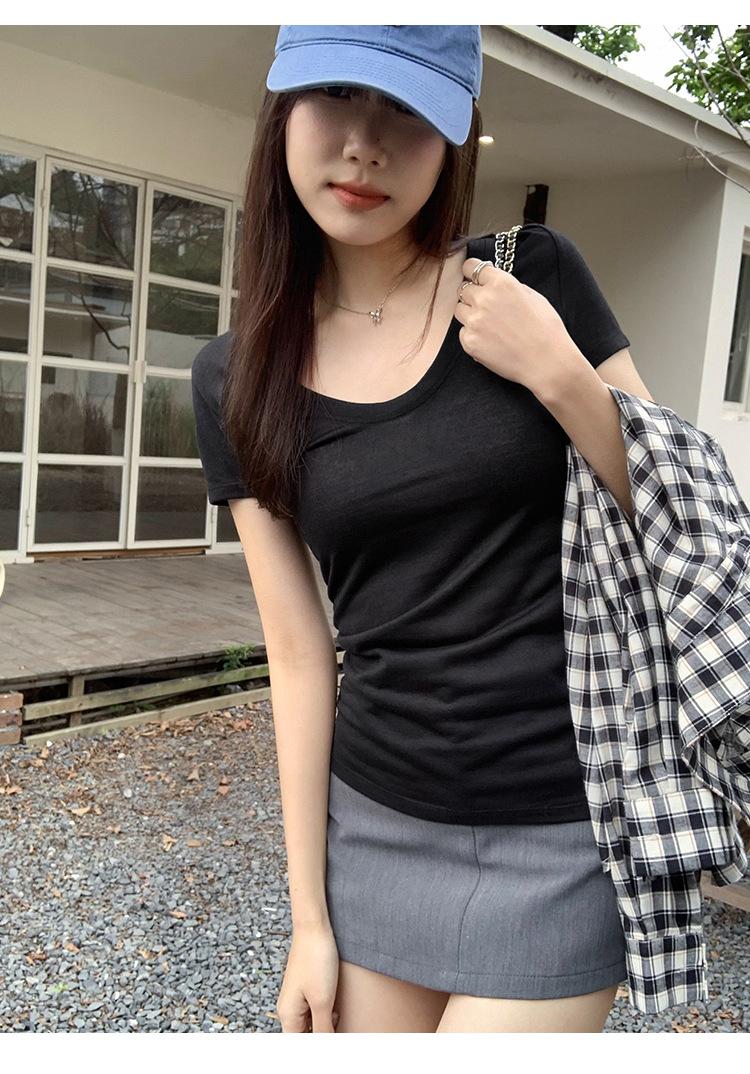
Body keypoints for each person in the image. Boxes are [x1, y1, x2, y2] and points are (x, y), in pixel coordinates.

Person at [191, 25, 654, 1033]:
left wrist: (560, 374)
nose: (365, 143)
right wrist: (308, 918)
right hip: (376, 827)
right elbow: (299, 651)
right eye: (336, 94)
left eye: (406, 109)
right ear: (282, 110)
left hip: (565, 827)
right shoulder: (234, 375)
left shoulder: (531, 277)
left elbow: (677, 516)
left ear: (454, 139)